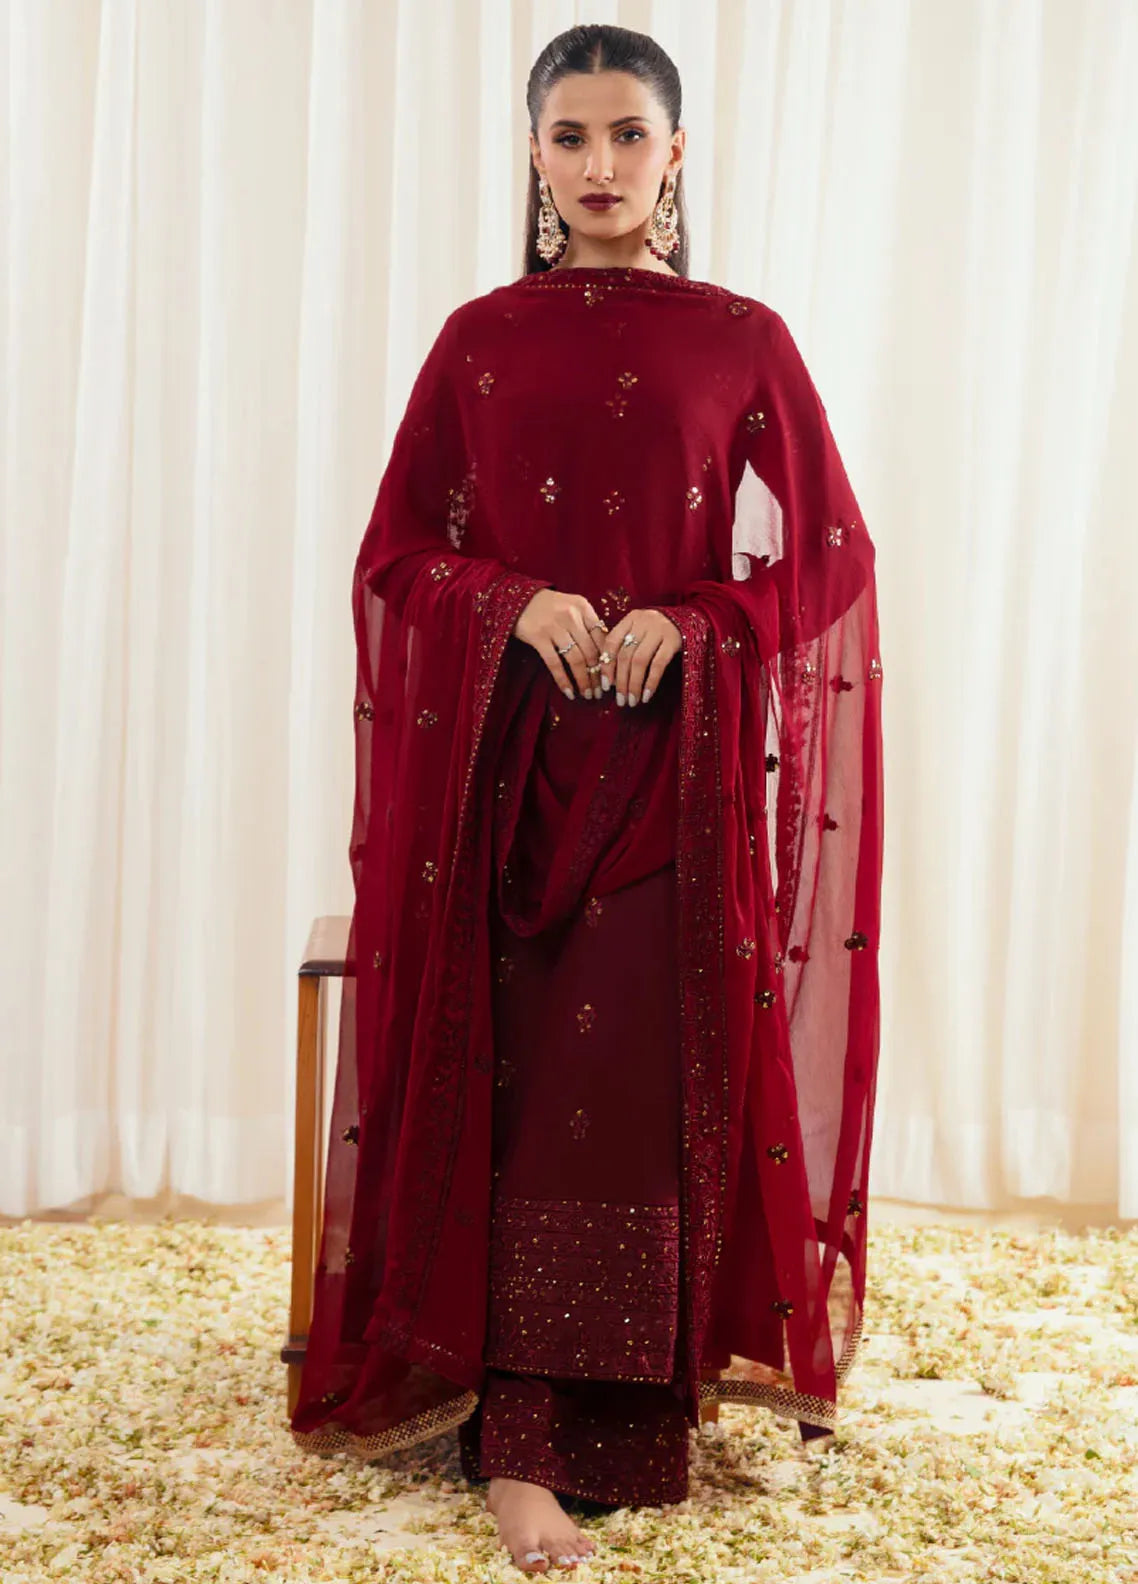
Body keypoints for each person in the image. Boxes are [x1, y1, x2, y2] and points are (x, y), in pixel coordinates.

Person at [288, 21, 884, 1576]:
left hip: (668, 780)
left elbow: (831, 558)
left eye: (629, 135)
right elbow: (397, 553)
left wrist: (697, 620)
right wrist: (513, 600)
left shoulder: (740, 339)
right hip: (507, 781)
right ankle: (518, 1436)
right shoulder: (479, 339)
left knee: (624, 1092)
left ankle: (623, 1394)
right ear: (535, 152)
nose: (600, 165)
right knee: (519, 1078)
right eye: (571, 136)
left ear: (674, 153)